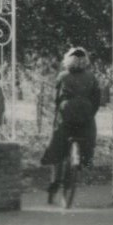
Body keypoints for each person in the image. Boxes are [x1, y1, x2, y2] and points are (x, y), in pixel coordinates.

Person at [43, 46, 101, 204]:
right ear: (85, 61)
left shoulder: (63, 76)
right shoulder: (91, 77)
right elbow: (97, 99)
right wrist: (89, 113)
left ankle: (54, 182)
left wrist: (59, 111)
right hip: (85, 119)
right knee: (87, 142)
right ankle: (83, 162)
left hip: (66, 118)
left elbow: (56, 99)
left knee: (57, 148)